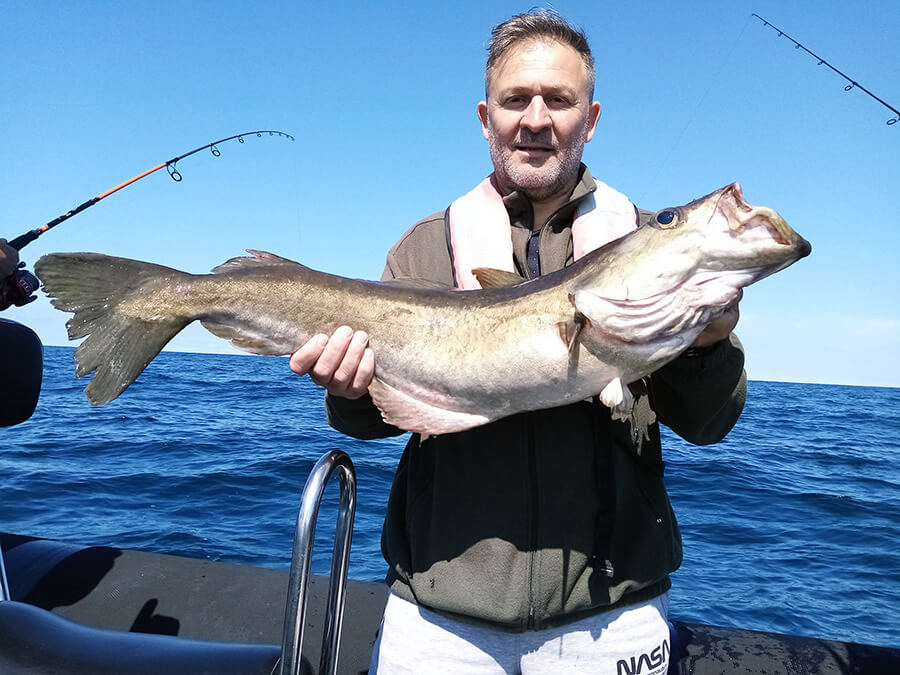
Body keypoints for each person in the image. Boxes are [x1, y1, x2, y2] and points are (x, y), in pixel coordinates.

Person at [290, 10, 746, 674]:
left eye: (559, 100)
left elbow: (710, 423)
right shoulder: (423, 246)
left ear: (590, 119)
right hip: (438, 617)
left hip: (612, 616)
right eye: (515, 100)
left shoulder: (655, 242)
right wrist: (347, 390)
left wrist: (708, 342)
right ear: (485, 117)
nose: (535, 118)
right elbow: (371, 420)